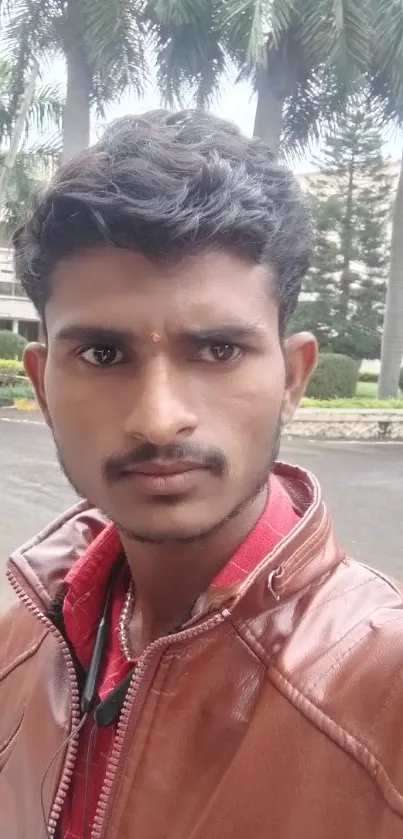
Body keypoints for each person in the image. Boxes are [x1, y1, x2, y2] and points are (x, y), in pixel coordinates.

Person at [0, 110, 402, 839]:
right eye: (101, 354)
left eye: (216, 348)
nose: (158, 419)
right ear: (43, 381)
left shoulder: (385, 691)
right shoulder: (16, 634)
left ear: (292, 376)